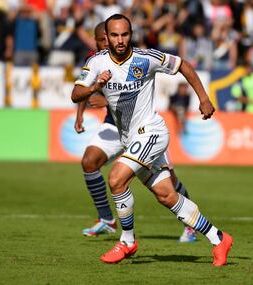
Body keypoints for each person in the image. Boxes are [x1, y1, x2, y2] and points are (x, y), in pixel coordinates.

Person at [71, 14, 233, 266]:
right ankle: (218, 238)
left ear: (131, 34)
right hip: (129, 138)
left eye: (125, 34)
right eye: (114, 35)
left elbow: (185, 66)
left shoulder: (147, 58)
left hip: (152, 132)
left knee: (116, 178)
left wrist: (203, 99)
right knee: (167, 196)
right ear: (107, 37)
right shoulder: (96, 62)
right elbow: (76, 93)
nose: (120, 40)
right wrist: (94, 87)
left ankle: (126, 241)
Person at [75, 22, 197, 243]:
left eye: (112, 37)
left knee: (167, 181)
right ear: (98, 41)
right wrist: (79, 114)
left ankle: (190, 226)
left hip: (142, 128)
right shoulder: (95, 62)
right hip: (114, 126)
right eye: (103, 39)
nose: (109, 43)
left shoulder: (135, 58)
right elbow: (83, 90)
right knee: (89, 161)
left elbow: (130, 91)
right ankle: (107, 219)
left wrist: (106, 100)